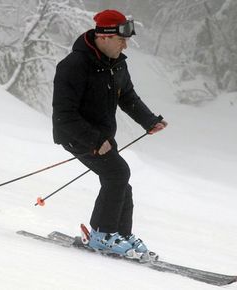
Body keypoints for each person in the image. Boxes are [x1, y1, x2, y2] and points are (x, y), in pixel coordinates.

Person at [52, 9, 167, 257]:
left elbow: (127, 97)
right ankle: (103, 234)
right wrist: (94, 140)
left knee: (121, 182)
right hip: (76, 135)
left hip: (101, 138)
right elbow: (63, 115)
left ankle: (119, 235)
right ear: (103, 37)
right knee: (118, 173)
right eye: (121, 40)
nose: (125, 46)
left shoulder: (116, 65)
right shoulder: (73, 66)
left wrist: (149, 120)